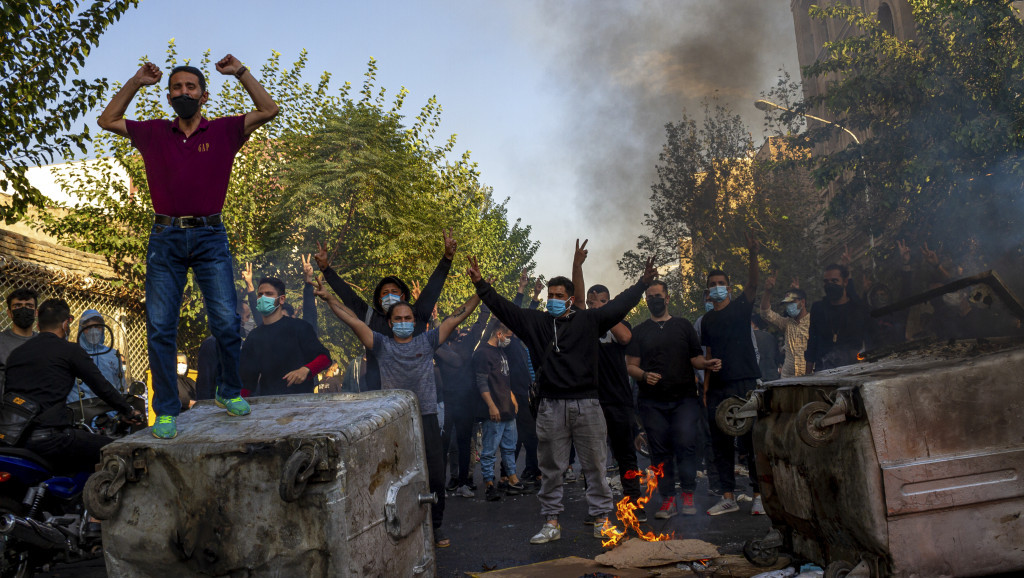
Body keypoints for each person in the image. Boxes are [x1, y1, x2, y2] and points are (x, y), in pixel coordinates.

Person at [97, 56, 279, 438]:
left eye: (190, 87)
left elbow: (269, 109)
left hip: (211, 236)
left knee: (227, 322)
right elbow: (108, 120)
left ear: (204, 95)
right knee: (161, 327)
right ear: (168, 96)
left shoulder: (226, 130)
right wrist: (135, 81)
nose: (183, 92)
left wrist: (241, 72)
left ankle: (228, 392)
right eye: (177, 88)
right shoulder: (153, 133)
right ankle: (165, 410)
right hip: (165, 238)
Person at [467, 253, 658, 545]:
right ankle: (551, 521)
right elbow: (503, 308)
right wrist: (481, 285)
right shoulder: (536, 323)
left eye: (559, 295)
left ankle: (602, 519)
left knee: (595, 464)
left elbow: (620, 305)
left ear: (570, 299)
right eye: (550, 295)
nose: (553, 299)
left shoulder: (590, 320)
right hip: (551, 406)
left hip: (588, 405)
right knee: (552, 468)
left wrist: (643, 283)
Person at [314, 277, 481, 549]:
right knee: (395, 476)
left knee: (436, 477)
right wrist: (329, 299)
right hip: (395, 421)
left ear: (414, 322)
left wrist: (481, 292)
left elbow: (455, 318)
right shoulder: (381, 344)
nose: (403, 321)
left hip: (425, 417)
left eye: (408, 317)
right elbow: (353, 320)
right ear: (390, 323)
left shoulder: (427, 342)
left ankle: (435, 526)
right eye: (398, 318)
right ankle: (397, 525)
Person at [3, 299, 143, 473]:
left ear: (38, 326)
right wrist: (128, 410)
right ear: (64, 325)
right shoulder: (70, 351)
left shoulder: (17, 354)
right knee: (122, 451)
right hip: (52, 438)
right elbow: (102, 387)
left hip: (16, 438)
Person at [314, 231, 457, 392]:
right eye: (385, 293)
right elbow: (349, 296)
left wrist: (447, 259)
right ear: (379, 299)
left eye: (394, 292)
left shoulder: (416, 315)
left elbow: (433, 288)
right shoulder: (370, 317)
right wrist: (326, 269)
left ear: (403, 296)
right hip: (380, 395)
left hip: (417, 393)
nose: (390, 295)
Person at [625, 280, 720, 519]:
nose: (653, 299)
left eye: (657, 295)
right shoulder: (639, 331)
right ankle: (668, 500)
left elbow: (695, 358)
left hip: (684, 399)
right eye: (649, 296)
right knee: (660, 451)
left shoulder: (683, 326)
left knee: (686, 444)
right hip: (651, 402)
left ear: (667, 298)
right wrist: (645, 375)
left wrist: (706, 364)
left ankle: (688, 493)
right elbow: (631, 367)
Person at [571, 240, 647, 521]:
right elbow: (577, 301)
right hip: (590, 401)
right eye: (591, 303)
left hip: (618, 402)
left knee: (626, 456)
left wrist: (608, 313)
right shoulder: (583, 324)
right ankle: (598, 510)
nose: (593, 307)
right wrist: (578, 267)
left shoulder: (619, 326)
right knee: (592, 460)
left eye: (600, 302)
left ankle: (633, 506)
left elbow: (626, 338)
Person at [701, 234, 763, 516]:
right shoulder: (707, 320)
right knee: (721, 442)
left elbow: (753, 284)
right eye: (712, 285)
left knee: (750, 441)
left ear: (728, 287)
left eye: (721, 284)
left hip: (744, 382)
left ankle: (759, 495)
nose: (717, 288)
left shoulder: (740, 308)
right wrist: (705, 390)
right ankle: (728, 495)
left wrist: (753, 255)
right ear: (707, 291)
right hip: (718, 387)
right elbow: (709, 353)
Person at [240, 277, 331, 396]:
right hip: (268, 405)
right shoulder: (253, 337)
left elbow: (325, 358)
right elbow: (247, 383)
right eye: (260, 294)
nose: (263, 298)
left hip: (302, 404)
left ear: (281, 299)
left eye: (269, 294)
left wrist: (306, 370)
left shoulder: (300, 327)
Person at [435, 305, 490, 497]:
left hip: (463, 401)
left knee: (463, 442)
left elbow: (480, 325)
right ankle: (442, 483)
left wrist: (484, 302)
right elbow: (431, 334)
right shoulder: (439, 346)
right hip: (448, 402)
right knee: (445, 444)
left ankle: (463, 483)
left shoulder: (463, 344)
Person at [474, 322, 527, 501]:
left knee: (509, 448)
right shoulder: (482, 353)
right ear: (499, 334)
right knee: (489, 450)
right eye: (508, 336)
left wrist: (511, 397)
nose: (509, 339)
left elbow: (504, 378)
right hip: (494, 410)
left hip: (507, 409)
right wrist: (491, 405)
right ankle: (489, 483)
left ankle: (512, 478)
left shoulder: (501, 352)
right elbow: (481, 383)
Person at [804, 263, 870, 373]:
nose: (830, 285)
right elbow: (812, 342)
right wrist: (807, 374)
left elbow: (867, 339)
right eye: (826, 282)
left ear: (845, 282)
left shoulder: (857, 309)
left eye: (834, 281)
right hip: (823, 369)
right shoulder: (818, 308)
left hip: (853, 369)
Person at [67, 309, 126, 403]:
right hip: (81, 411)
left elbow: (121, 386)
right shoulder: (73, 354)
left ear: (103, 329)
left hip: (109, 410)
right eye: (89, 327)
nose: (93, 331)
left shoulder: (113, 355)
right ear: (81, 330)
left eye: (97, 326)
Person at [760, 273, 810, 378]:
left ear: (803, 302)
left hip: (810, 376)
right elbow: (766, 313)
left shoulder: (814, 321)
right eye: (787, 304)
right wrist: (768, 291)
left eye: (792, 302)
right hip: (788, 378)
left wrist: (797, 292)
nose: (789, 306)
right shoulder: (786, 323)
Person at [0, 288, 38, 388]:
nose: (24, 309)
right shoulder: (1, 342)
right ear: (9, 313)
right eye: (17, 306)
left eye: (29, 306)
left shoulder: (45, 342)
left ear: (36, 312)